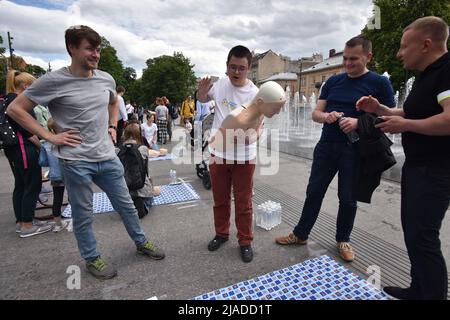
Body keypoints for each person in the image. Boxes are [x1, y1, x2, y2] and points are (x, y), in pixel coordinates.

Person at [7, 25, 165, 280]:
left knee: (126, 204)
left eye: (98, 49)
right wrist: (49, 136)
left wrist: (113, 126)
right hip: (75, 161)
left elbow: (113, 102)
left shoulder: (105, 78)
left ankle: (141, 242)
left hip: (106, 156)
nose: (96, 55)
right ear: (72, 48)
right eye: (90, 49)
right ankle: (92, 258)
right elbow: (15, 109)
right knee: (84, 214)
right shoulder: (54, 80)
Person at [275, 36, 396, 263]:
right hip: (327, 146)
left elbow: (389, 116)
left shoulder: (380, 83)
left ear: (368, 56)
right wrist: (327, 116)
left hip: (356, 148)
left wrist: (358, 122)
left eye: (354, 59)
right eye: (346, 59)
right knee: (314, 192)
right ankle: (301, 234)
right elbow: (315, 113)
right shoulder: (333, 82)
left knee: (348, 198)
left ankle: (343, 239)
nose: (348, 64)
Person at [357, 16, 450, 300]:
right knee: (413, 233)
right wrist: (382, 109)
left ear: (426, 44)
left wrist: (406, 126)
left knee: (424, 237)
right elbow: (412, 113)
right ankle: (418, 289)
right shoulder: (428, 74)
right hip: (419, 167)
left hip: (436, 169)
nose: (399, 53)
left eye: (403, 46)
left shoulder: (447, 70)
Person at [197, 45, 259, 262]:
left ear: (248, 69)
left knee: (244, 202)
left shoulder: (255, 94)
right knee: (220, 199)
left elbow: (260, 126)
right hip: (218, 153)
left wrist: (251, 137)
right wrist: (202, 92)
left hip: (244, 156)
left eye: (241, 68)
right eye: (232, 67)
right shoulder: (221, 84)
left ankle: (245, 241)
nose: (236, 72)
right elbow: (203, 99)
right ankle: (221, 233)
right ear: (226, 65)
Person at [3, 70, 53, 237]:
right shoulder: (21, 103)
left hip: (13, 149)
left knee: (21, 184)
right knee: (32, 184)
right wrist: (41, 145)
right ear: (26, 86)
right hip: (24, 147)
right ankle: (27, 225)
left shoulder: (6, 100)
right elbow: (29, 131)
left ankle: (23, 220)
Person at [118, 123, 158, 219]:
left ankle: (128, 207)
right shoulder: (143, 149)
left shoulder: (117, 151)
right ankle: (144, 206)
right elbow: (146, 172)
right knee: (150, 199)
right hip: (142, 188)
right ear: (138, 134)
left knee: (125, 202)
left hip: (125, 189)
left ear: (125, 134)